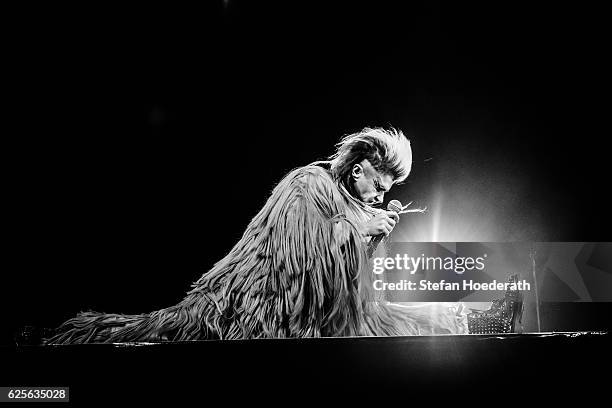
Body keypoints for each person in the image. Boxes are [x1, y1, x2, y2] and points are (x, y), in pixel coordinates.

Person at [44, 127, 469, 344]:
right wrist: (362, 225)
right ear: (358, 169)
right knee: (165, 332)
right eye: (379, 185)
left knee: (417, 324)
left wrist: (375, 234)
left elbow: (343, 275)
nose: (381, 195)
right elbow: (298, 255)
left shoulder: (356, 204)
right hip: (256, 303)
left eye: (388, 192)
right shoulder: (307, 185)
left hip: (322, 318)